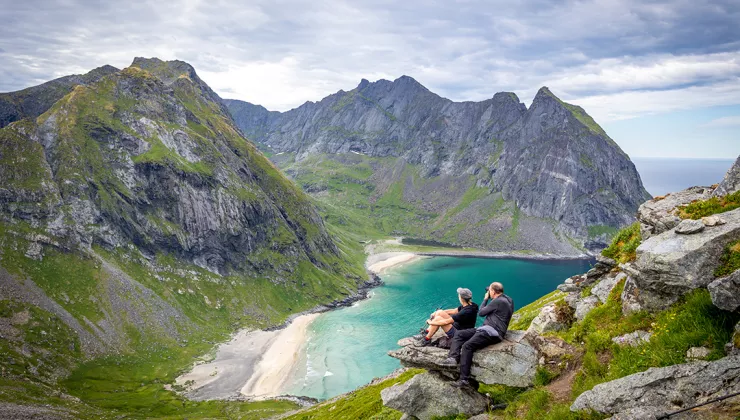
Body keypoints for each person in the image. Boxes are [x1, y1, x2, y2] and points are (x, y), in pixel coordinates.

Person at [441, 281, 514, 388]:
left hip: (492, 332)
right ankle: (453, 358)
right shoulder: (508, 300)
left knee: (467, 346)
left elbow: (481, 313)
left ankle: (464, 380)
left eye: (490, 291)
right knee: (460, 334)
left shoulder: (498, 301)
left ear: (493, 292)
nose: (488, 292)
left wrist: (485, 299)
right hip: (486, 329)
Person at [414, 288, 478, 347]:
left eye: (459, 295)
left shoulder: (465, 312)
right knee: (439, 312)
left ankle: (426, 339)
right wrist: (437, 312)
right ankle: (426, 333)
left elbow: (446, 322)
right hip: (459, 326)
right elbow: (454, 310)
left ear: (461, 298)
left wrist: (430, 322)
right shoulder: (471, 305)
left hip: (459, 333)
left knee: (438, 319)